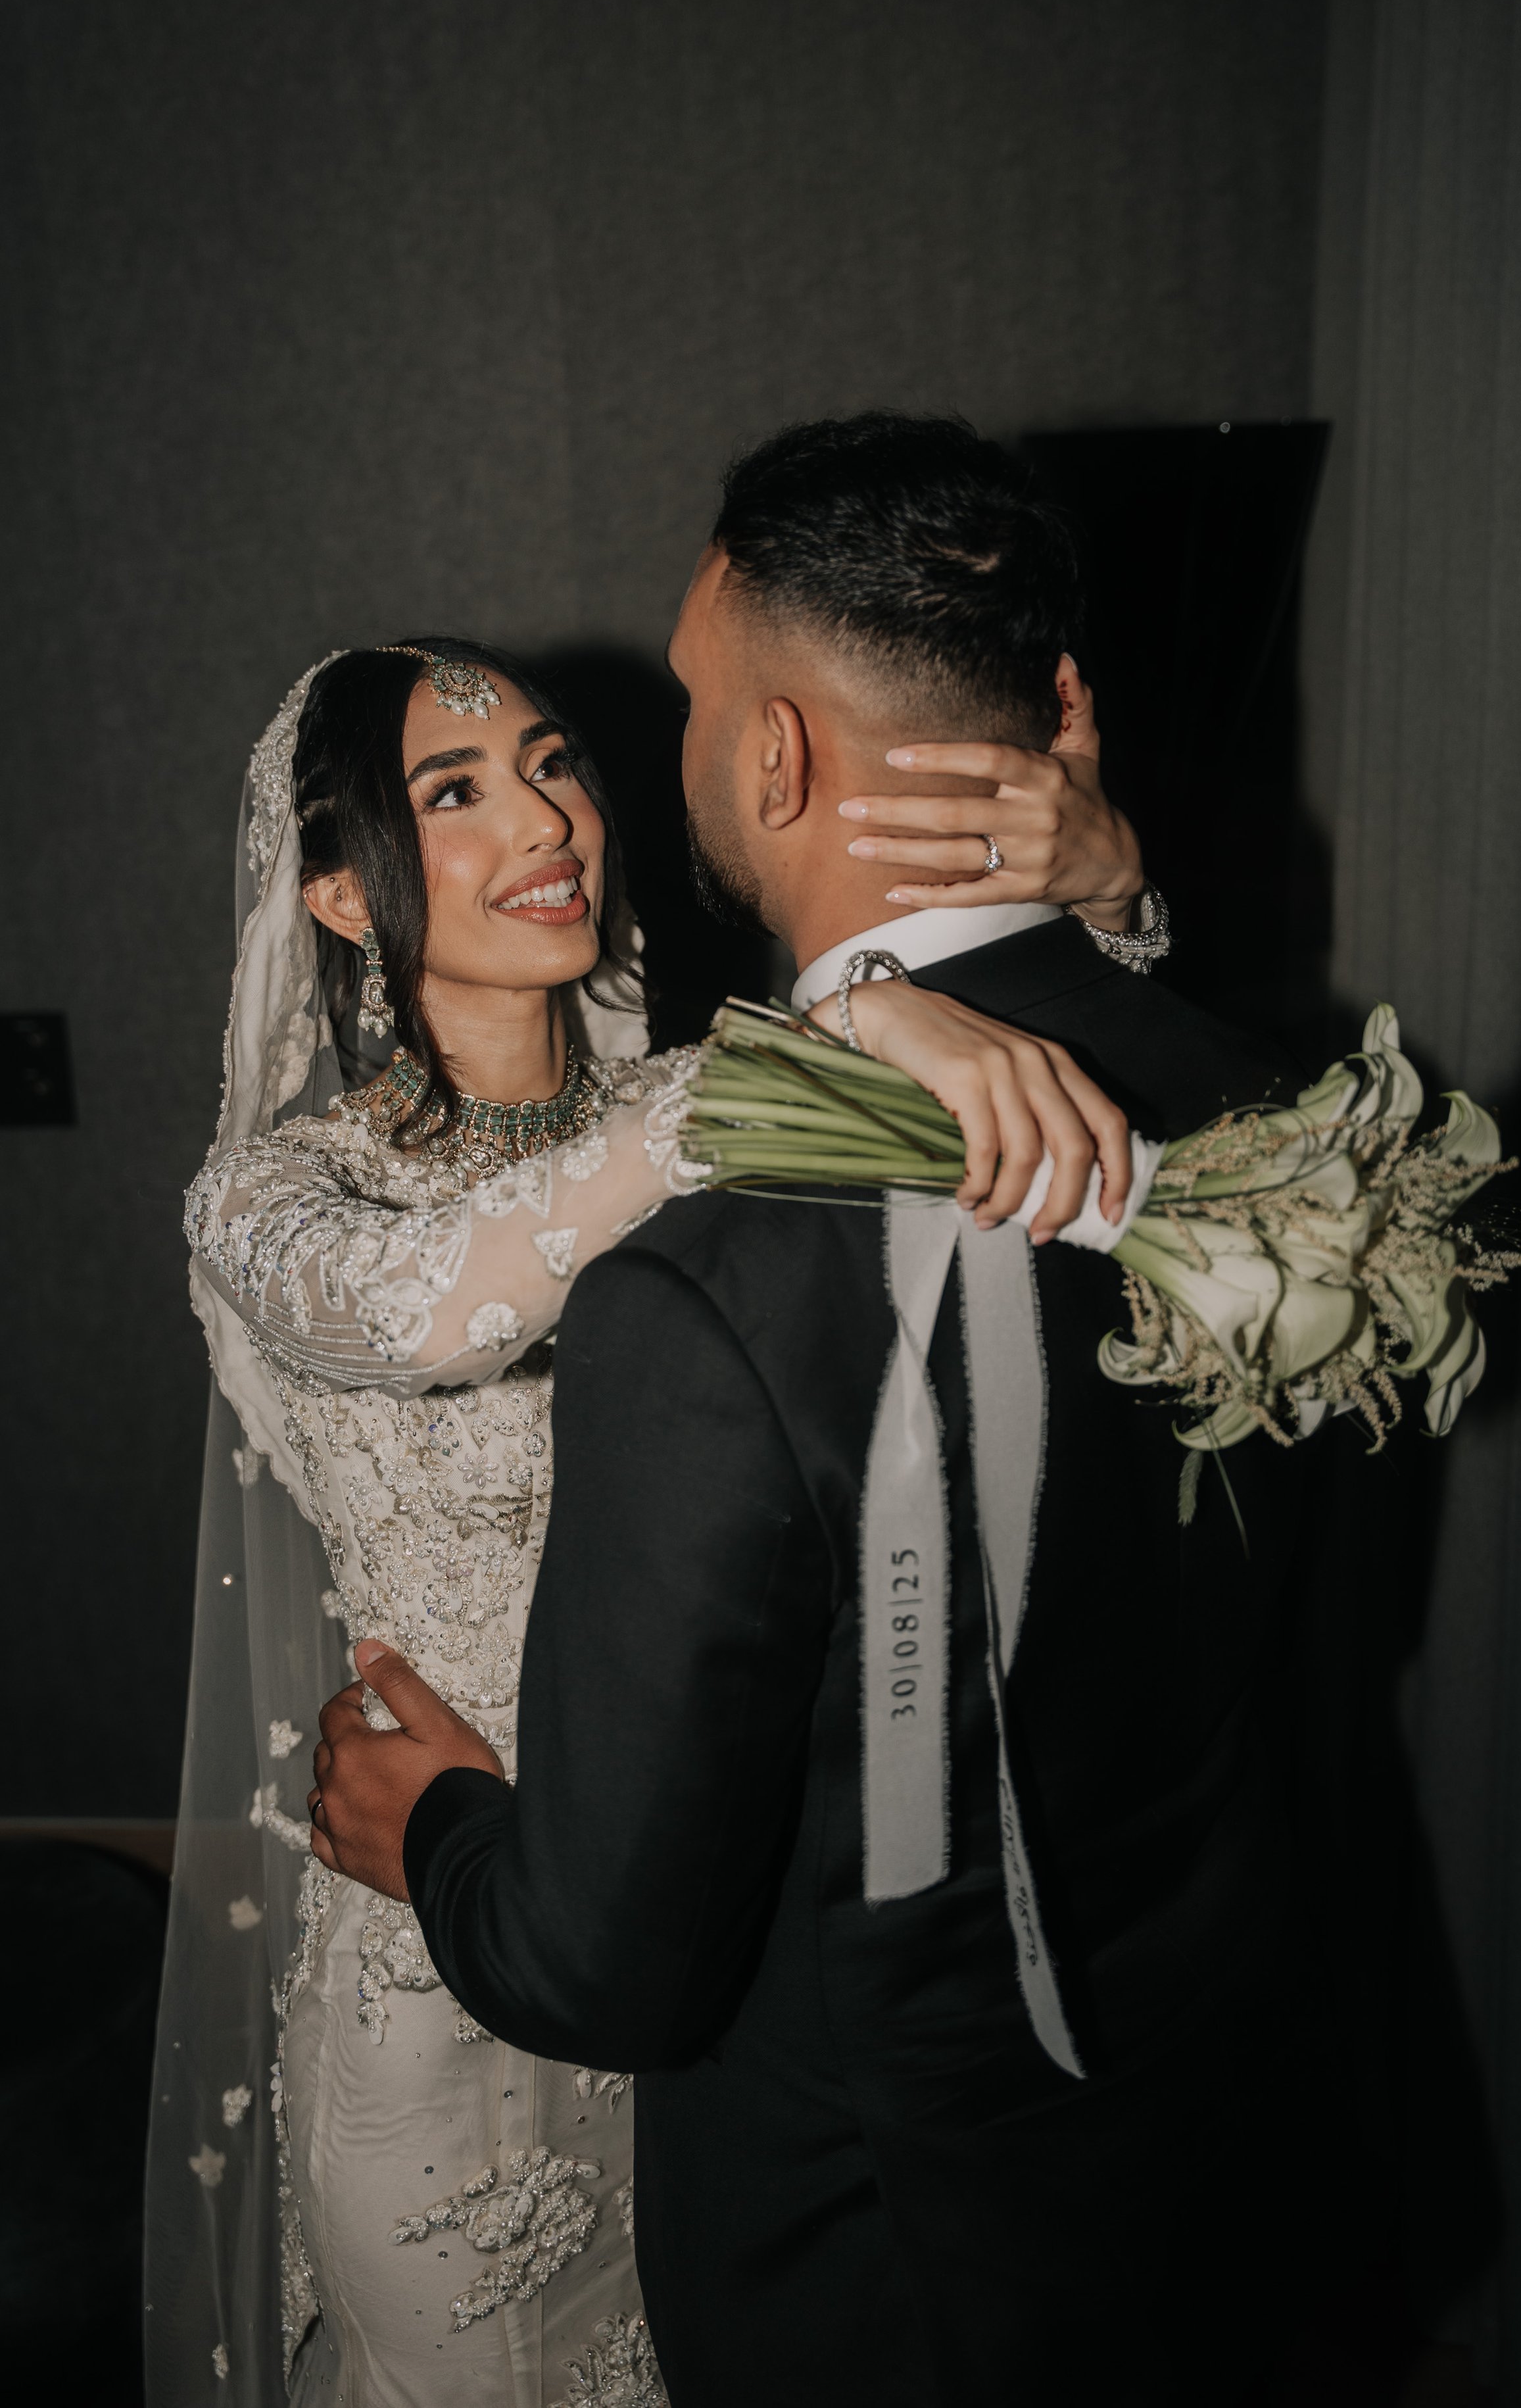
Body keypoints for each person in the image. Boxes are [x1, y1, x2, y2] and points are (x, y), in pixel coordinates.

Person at [311, 415, 1337, 2407]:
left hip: (892, 2249)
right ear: (1052, 708)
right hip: (1200, 2112)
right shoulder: (1245, 1093)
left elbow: (603, 1966)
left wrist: (426, 1825)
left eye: (688, 701)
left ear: (773, 759)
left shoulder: (703, 1293)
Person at [151, 626, 1143, 2408]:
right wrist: (810, 1042)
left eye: (553, 765)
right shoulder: (277, 1194)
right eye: (453, 793)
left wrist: (1106, 909)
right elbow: (430, 1310)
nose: (544, 818)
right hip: (444, 1953)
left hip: (711, 1921)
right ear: (337, 893)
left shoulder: (731, 1106)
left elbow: (1054, 1160)